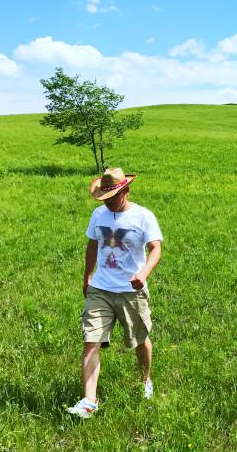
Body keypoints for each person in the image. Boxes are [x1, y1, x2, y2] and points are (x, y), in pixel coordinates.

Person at [67, 167, 163, 419]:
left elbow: (155, 249)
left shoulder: (143, 217)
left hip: (131, 290)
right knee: (91, 340)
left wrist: (143, 274)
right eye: (104, 198)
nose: (108, 203)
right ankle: (89, 401)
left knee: (139, 339)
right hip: (101, 288)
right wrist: (87, 276)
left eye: (112, 198)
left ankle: (145, 380)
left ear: (126, 191)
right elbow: (92, 245)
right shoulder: (98, 215)